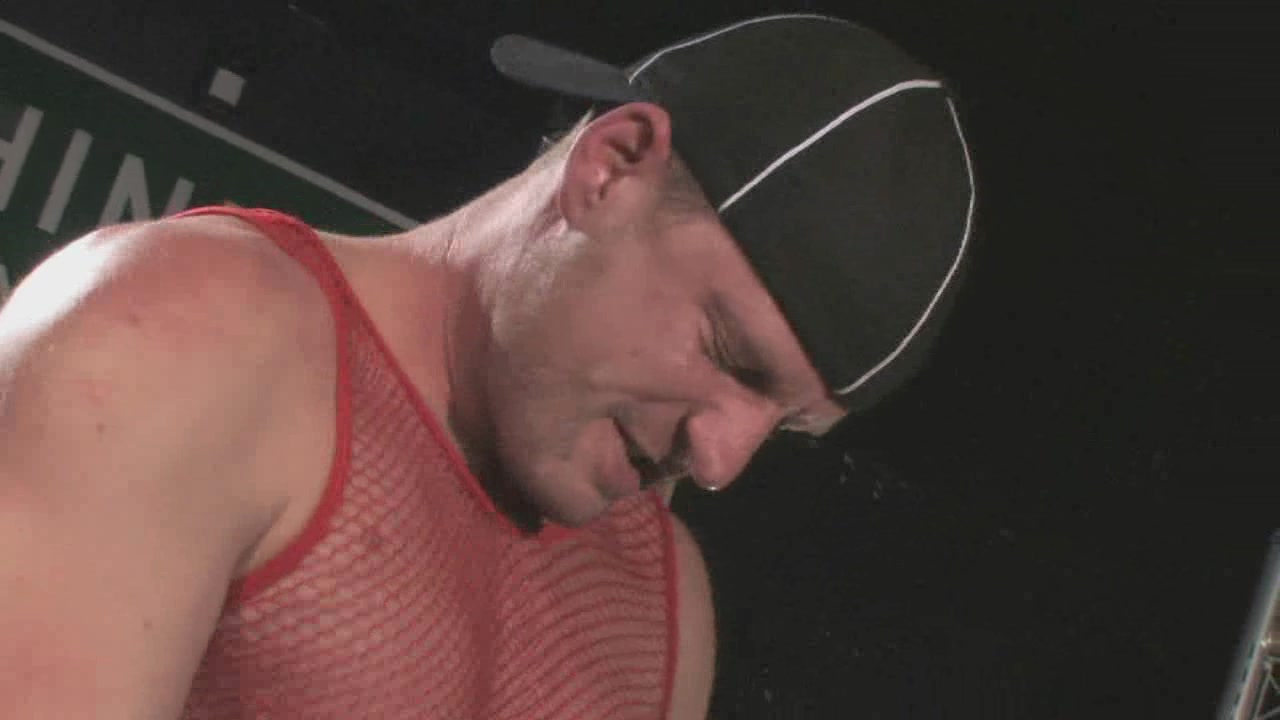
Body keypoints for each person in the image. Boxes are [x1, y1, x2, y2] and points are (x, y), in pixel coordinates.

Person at [0, 13, 973, 720]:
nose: (720, 461)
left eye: (784, 428)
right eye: (727, 355)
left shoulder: (661, 606)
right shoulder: (187, 337)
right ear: (611, 167)